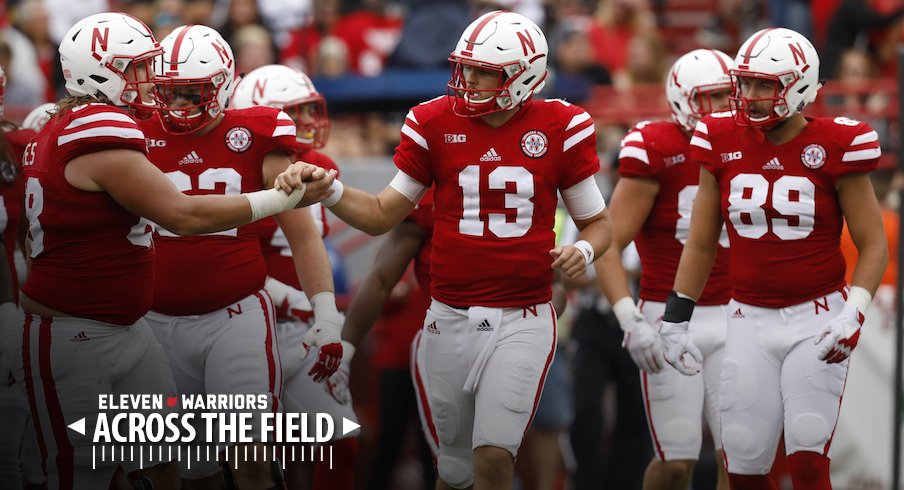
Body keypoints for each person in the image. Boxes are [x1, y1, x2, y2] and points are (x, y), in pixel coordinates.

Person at [277, 11, 612, 489]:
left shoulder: (562, 125)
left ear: (525, 76)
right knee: (454, 470)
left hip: (523, 316)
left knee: (495, 456)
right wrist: (328, 190)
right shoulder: (433, 121)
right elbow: (380, 214)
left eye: (484, 72)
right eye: (466, 67)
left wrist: (584, 250)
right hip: (447, 316)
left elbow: (597, 223)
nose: (469, 80)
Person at [11, 13, 331, 490]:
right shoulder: (100, 129)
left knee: (192, 463)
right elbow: (183, 215)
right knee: (97, 471)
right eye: (140, 68)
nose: (154, 85)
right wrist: (280, 198)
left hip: (160, 324)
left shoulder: (73, 123)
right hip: (96, 329)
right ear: (102, 70)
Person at [661, 27, 888, 490]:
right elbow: (702, 241)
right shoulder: (720, 136)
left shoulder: (837, 144)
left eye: (765, 84)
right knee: (743, 466)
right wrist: (674, 318)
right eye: (745, 83)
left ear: (800, 86)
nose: (749, 95)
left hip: (817, 318)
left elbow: (874, 242)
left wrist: (854, 313)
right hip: (746, 318)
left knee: (807, 459)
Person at [141, 26, 342, 490]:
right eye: (169, 92)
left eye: (193, 92)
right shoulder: (136, 134)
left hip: (235, 316)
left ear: (224, 84)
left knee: (249, 453)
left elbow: (303, 236)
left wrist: (326, 314)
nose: (178, 103)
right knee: (188, 471)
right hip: (153, 320)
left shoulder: (254, 135)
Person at [596, 48, 734, 490]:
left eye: (727, 97)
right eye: (707, 98)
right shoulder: (655, 146)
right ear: (680, 99)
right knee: (676, 461)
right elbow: (608, 242)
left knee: (742, 458)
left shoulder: (753, 141)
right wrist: (629, 317)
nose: (720, 110)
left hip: (741, 312)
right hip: (672, 314)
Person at [231, 63, 360, 490]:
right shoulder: (235, 172)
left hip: (303, 329)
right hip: (246, 323)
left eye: (309, 110)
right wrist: (291, 299)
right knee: (247, 456)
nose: (306, 122)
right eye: (293, 112)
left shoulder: (319, 163)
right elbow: (224, 257)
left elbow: (311, 245)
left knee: (339, 444)